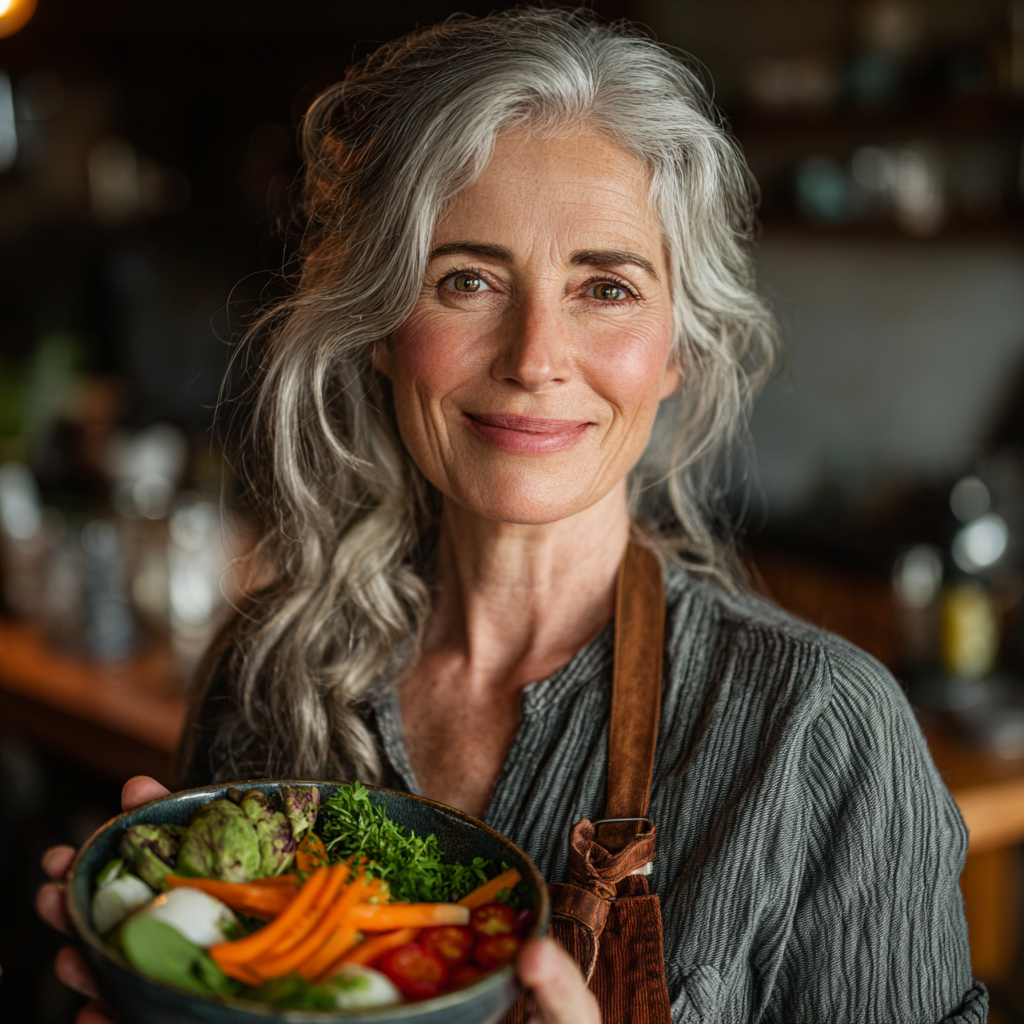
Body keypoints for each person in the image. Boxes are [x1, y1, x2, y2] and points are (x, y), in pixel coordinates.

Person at [38, 9, 986, 1023]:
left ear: (672, 350)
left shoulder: (821, 737)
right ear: (380, 328)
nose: (534, 355)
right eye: (468, 279)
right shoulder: (262, 672)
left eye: (606, 286)